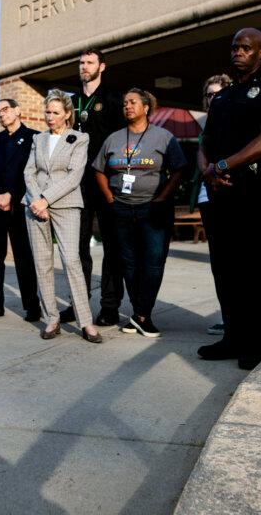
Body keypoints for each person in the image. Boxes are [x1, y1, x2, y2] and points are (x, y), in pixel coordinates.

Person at [196, 30, 261, 368]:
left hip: (256, 195)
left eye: (245, 48)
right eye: (234, 47)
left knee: (256, 269)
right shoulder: (222, 97)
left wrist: (221, 165)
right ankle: (232, 336)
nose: (238, 52)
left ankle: (256, 340)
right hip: (221, 195)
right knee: (226, 268)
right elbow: (205, 142)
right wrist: (208, 170)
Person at [93, 89, 186, 338]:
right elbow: (99, 170)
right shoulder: (113, 138)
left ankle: (142, 314)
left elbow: (179, 169)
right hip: (121, 208)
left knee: (153, 262)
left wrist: (163, 197)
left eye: (133, 102)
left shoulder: (164, 137)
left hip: (153, 209)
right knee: (129, 263)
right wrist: (110, 198)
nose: (127, 106)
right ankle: (140, 315)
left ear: (146, 108)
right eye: (124, 103)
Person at [24, 90, 101, 344]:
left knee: (71, 261)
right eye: (47, 111)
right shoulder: (38, 139)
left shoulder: (79, 138)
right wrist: (37, 201)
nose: (50, 117)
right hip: (35, 205)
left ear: (68, 114)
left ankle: (86, 321)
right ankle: (51, 319)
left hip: (66, 204)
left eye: (56, 112)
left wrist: (46, 199)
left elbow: (74, 176)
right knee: (42, 263)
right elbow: (29, 173)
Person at [70, 49, 126, 326]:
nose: (84, 66)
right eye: (81, 62)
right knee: (77, 247)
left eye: (90, 62)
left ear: (101, 66)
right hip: (75, 184)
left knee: (112, 246)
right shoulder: (72, 102)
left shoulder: (113, 100)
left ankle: (109, 306)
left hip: (105, 181)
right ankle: (78, 303)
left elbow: (121, 141)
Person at [0, 98, 40, 322]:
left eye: (5, 109)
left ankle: (32, 306)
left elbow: (34, 173)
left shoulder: (35, 137)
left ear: (18, 111)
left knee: (24, 257)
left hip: (21, 206)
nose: (1, 114)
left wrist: (11, 194)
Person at [192, 75, 231, 338]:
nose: (212, 98)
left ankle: (240, 319)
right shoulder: (206, 126)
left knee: (234, 262)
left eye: (217, 93)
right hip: (208, 199)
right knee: (219, 264)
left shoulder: (233, 122)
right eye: (209, 94)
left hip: (228, 198)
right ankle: (228, 318)